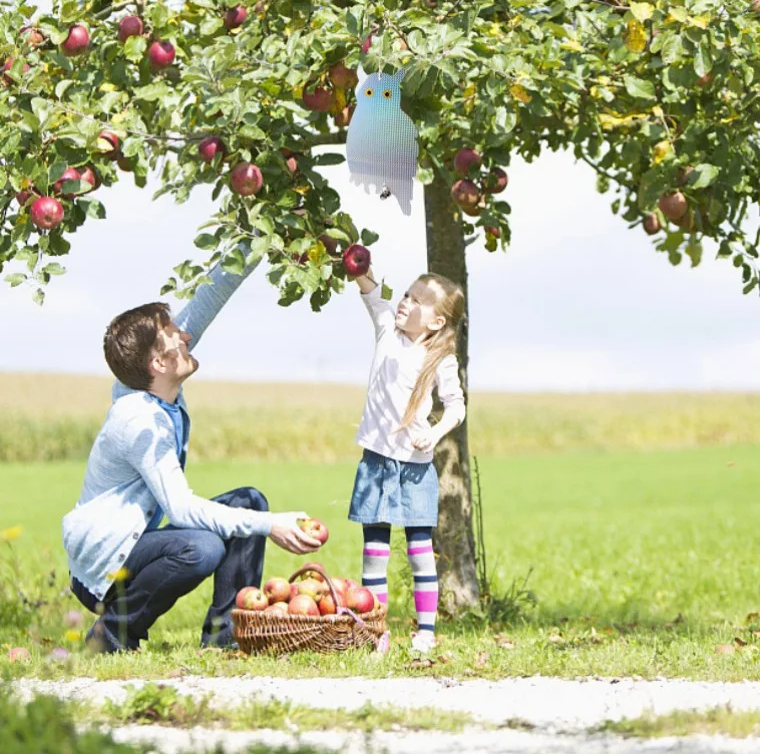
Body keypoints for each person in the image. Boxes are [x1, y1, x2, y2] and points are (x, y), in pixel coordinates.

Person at [62, 253, 320, 653]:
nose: (185, 336)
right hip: (104, 567)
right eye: (174, 336)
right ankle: (112, 634)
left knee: (248, 501)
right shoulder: (140, 423)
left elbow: (208, 298)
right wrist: (271, 524)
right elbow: (182, 510)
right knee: (201, 548)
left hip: (135, 546)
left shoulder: (149, 381)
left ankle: (227, 637)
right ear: (159, 362)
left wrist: (259, 239)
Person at [348, 263, 466, 653]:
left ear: (435, 321)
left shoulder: (440, 359)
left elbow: (456, 408)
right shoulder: (387, 331)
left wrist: (432, 433)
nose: (405, 302)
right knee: (374, 554)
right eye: (406, 294)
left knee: (420, 553)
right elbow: (371, 291)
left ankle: (426, 633)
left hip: (416, 469)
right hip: (377, 462)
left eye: (417, 301)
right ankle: (376, 632)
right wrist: (354, 261)